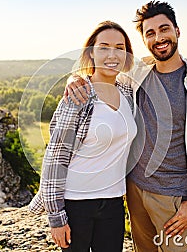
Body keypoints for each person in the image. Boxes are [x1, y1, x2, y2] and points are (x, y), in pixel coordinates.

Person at [65, 1, 187, 252]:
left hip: (175, 198)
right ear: (144, 39)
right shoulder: (136, 76)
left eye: (164, 29)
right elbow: (99, 75)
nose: (159, 38)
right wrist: (75, 78)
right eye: (150, 33)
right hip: (135, 191)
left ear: (177, 31)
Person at [28, 21, 137, 252]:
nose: (112, 54)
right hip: (76, 203)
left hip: (114, 201)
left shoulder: (128, 92)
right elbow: (55, 157)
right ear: (91, 53)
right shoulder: (78, 95)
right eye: (104, 47)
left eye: (119, 48)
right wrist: (56, 218)